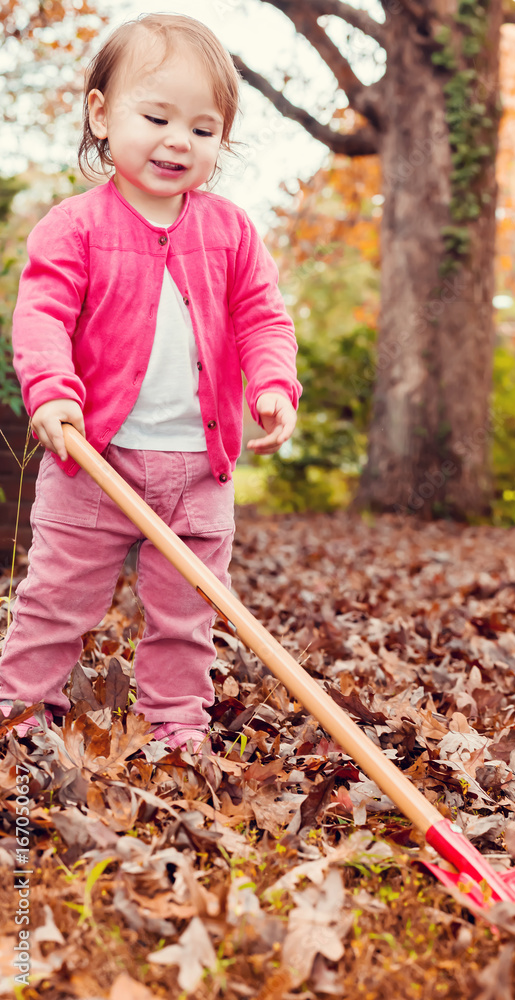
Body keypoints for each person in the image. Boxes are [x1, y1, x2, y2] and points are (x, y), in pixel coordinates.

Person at [0, 13, 302, 753]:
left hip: (200, 469)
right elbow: (42, 317)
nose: (178, 140)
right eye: (157, 115)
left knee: (188, 612)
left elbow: (264, 317)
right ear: (101, 114)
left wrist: (271, 383)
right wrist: (53, 393)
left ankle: (175, 726)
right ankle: (21, 713)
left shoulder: (230, 231)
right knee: (57, 600)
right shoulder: (72, 229)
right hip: (93, 461)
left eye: (203, 129)